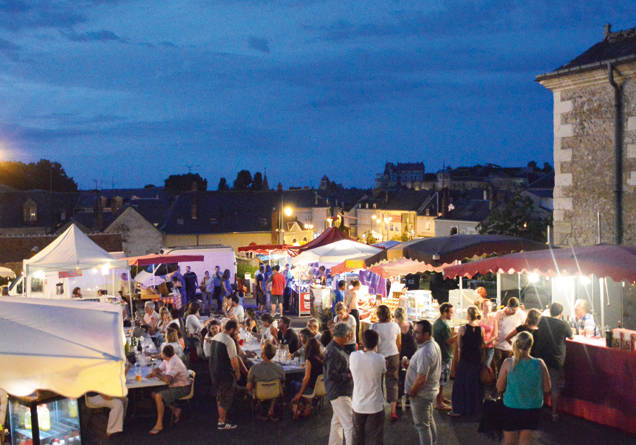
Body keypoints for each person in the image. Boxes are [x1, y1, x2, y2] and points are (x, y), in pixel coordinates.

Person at [497, 332, 551, 445]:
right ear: (531, 345)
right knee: (525, 441)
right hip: (532, 407)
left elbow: (499, 387)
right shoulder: (540, 364)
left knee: (508, 441)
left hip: (511, 405)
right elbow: (547, 388)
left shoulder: (508, 363)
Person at [532, 302, 572, 421]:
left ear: (550, 311)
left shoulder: (542, 320)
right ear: (560, 313)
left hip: (541, 357)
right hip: (556, 358)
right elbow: (571, 336)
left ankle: (537, 410)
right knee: (554, 386)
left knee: (539, 384)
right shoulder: (563, 324)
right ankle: (554, 413)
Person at [405, 320, 442, 445]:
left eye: (417, 333)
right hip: (429, 392)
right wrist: (410, 364)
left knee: (422, 427)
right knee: (428, 421)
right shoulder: (432, 345)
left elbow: (421, 379)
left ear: (426, 334)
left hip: (421, 395)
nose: (414, 335)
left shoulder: (426, 352)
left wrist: (412, 392)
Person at [350, 329, 386, 445]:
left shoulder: (353, 356)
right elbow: (383, 371)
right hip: (375, 405)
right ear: (377, 343)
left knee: (357, 437)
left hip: (358, 404)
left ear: (362, 342)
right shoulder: (380, 359)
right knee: (375, 438)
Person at [449, 305, 484, 417]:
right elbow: (482, 346)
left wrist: (457, 362)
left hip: (465, 359)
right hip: (476, 359)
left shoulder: (463, 329)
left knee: (461, 384)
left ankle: (459, 409)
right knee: (475, 383)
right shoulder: (481, 329)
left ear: (468, 316)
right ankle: (475, 408)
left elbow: (459, 346)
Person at [148, 344, 191, 434]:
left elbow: (167, 380)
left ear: (164, 354)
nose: (160, 354)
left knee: (158, 396)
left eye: (161, 353)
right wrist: (154, 372)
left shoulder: (174, 362)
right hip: (174, 385)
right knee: (153, 393)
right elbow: (160, 369)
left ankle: (159, 424)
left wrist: (156, 374)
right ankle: (175, 409)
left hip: (182, 387)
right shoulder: (167, 359)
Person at [324, 322, 355, 445]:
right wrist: (349, 375)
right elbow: (331, 374)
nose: (350, 338)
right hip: (339, 391)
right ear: (344, 336)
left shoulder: (334, 348)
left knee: (337, 422)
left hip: (337, 391)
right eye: (349, 336)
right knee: (350, 424)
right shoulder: (334, 351)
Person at [209, 319, 241, 430]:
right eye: (236, 331)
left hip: (214, 371)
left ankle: (221, 418)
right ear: (231, 330)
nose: (237, 333)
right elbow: (234, 360)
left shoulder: (216, 337)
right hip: (225, 374)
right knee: (225, 398)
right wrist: (237, 373)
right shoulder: (229, 341)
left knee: (219, 396)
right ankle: (222, 422)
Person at [371, 304, 401, 421]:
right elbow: (399, 343)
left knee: (378, 382)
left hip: (379, 356)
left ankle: (379, 409)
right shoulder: (395, 326)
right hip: (393, 355)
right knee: (393, 382)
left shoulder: (374, 327)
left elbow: (372, 344)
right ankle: (393, 411)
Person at [247, 342, 285, 421]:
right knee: (276, 386)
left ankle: (259, 405)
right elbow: (283, 382)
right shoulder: (280, 368)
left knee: (253, 387)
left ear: (262, 354)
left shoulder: (254, 368)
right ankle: (271, 408)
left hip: (259, 394)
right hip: (274, 393)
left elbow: (248, 387)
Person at [292, 337, 324, 419]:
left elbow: (306, 378)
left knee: (292, 383)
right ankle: (306, 404)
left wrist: (299, 393)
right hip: (322, 386)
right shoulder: (322, 358)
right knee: (299, 379)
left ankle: (297, 408)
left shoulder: (309, 360)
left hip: (312, 387)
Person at [432, 303, 456, 411]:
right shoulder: (444, 325)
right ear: (445, 312)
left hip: (439, 353)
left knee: (440, 378)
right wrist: (458, 335)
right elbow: (448, 341)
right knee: (442, 379)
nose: (452, 314)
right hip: (444, 354)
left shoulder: (437, 323)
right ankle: (438, 402)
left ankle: (440, 398)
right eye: (451, 312)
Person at [493, 298, 526, 375]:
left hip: (512, 347)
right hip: (499, 346)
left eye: (516, 310)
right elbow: (495, 326)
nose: (514, 312)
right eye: (512, 310)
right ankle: (499, 385)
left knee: (511, 370)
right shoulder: (499, 313)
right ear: (508, 307)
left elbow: (523, 327)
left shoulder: (521, 314)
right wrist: (495, 337)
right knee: (499, 369)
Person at [395, 307, 417, 411]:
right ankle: (408, 398)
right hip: (411, 353)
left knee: (400, 377)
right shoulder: (410, 325)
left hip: (400, 353)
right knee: (410, 376)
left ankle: (399, 400)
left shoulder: (395, 327)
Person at [479, 299, 498, 368]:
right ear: (481, 307)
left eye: (489, 305)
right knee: (478, 366)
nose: (487, 308)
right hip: (479, 346)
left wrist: (487, 342)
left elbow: (496, 334)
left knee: (487, 365)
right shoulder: (478, 319)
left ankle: (485, 378)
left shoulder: (494, 319)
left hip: (490, 346)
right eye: (485, 306)